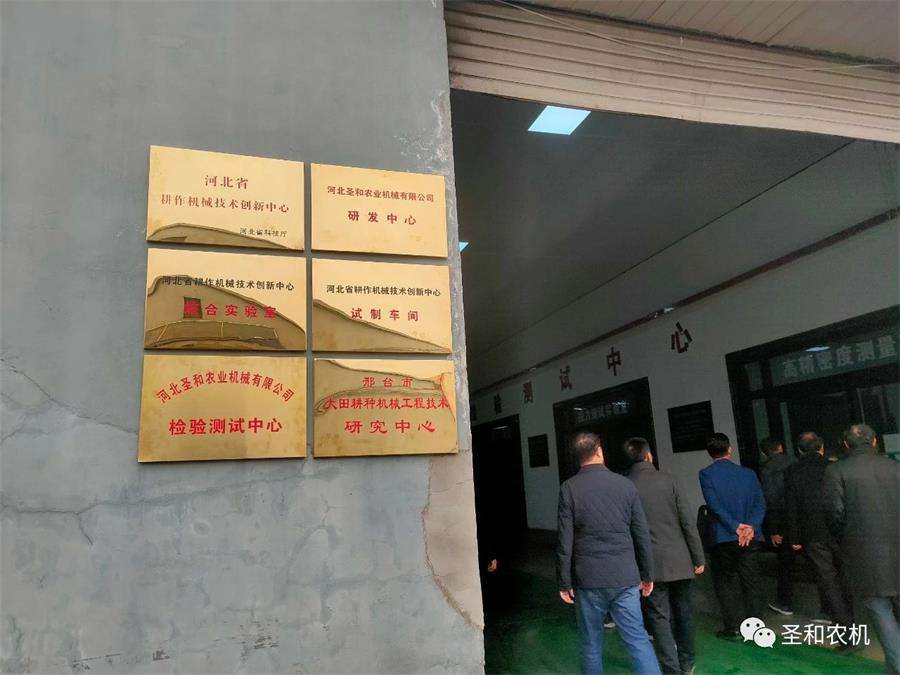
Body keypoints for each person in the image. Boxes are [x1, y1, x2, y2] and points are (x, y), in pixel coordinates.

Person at [558, 432, 661, 675]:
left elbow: (565, 539)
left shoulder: (569, 488)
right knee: (637, 640)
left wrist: (564, 581)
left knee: (591, 643)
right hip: (625, 576)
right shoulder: (625, 485)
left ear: (577, 457)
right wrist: (648, 574)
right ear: (600, 451)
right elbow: (641, 534)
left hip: (588, 579)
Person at [625, 438, 705, 675]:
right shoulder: (669, 480)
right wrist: (698, 557)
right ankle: (687, 662)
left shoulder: (625, 486)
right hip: (680, 560)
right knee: (684, 612)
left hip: (650, 565)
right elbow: (687, 521)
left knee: (659, 617)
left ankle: (670, 668)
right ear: (649, 455)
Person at [824, 424, 900, 673]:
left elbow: (834, 514)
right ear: (875, 441)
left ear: (846, 445)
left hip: (864, 552)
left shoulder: (837, 471)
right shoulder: (895, 467)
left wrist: (845, 540)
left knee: (880, 610)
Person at [698, 432, 766, 640]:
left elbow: (714, 505)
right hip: (750, 536)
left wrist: (735, 527)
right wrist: (750, 527)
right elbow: (760, 503)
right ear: (730, 449)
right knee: (751, 582)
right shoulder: (748, 474)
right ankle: (756, 627)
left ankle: (733, 628)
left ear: (710, 453)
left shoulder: (706, 474)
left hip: (723, 537)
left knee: (726, 582)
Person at [784, 432, 852, 626]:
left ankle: (842, 623)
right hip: (839, 529)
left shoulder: (792, 471)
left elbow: (791, 506)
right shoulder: (835, 466)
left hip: (811, 532)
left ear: (799, 450)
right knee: (844, 574)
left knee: (826, 577)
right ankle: (851, 615)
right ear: (821, 447)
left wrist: (794, 537)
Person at [759, 436, 795, 616]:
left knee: (785, 564)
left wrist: (773, 530)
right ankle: (827, 609)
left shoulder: (767, 469)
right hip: (800, 518)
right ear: (780, 447)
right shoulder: (795, 463)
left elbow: (770, 500)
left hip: (782, 521)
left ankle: (786, 603)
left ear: (764, 452)